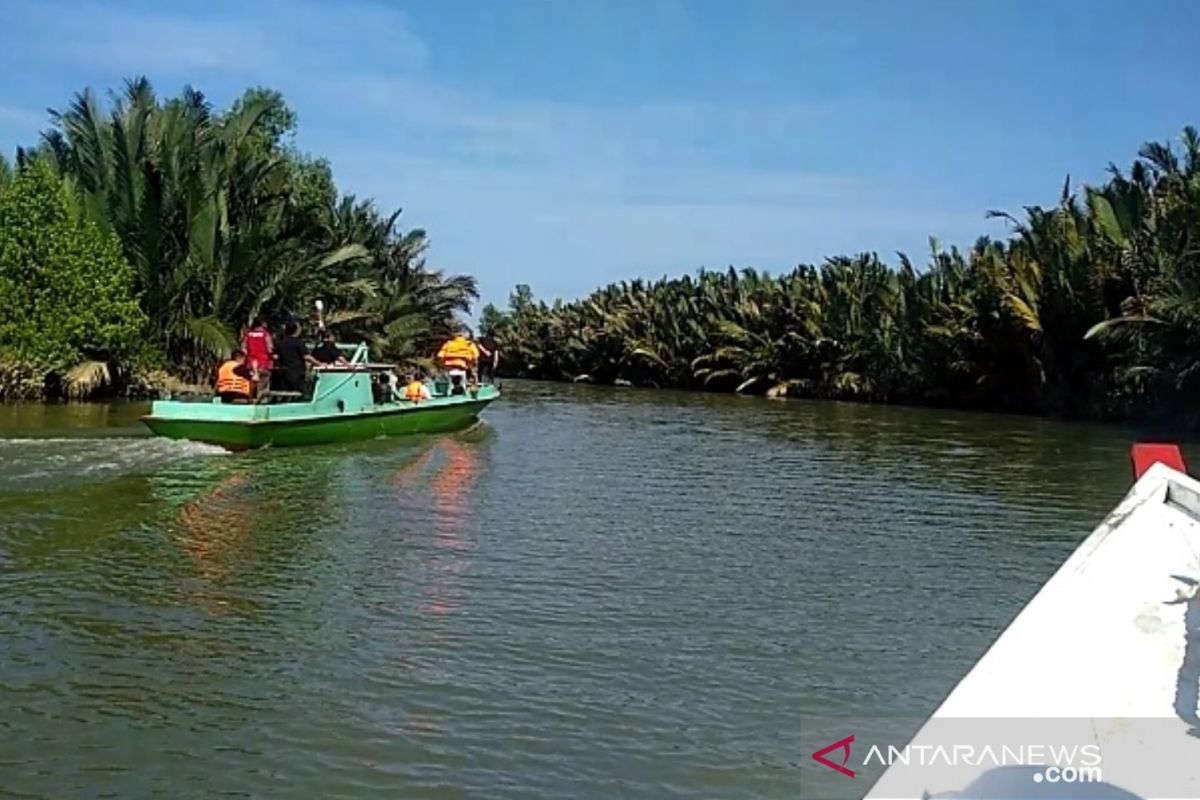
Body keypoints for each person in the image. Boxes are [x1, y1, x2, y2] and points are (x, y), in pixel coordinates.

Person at [273, 321, 323, 394]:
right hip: (296, 372)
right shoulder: (298, 343)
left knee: (285, 393)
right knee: (298, 393)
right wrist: (319, 363)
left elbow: (275, 356)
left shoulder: (280, 342)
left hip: (283, 371)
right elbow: (306, 357)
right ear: (296, 330)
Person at [241, 318, 274, 395]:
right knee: (263, 388)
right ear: (262, 324)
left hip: (251, 364)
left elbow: (243, 349)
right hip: (264, 364)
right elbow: (270, 349)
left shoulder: (248, 335)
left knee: (251, 387)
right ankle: (261, 403)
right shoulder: (266, 334)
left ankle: (250, 401)